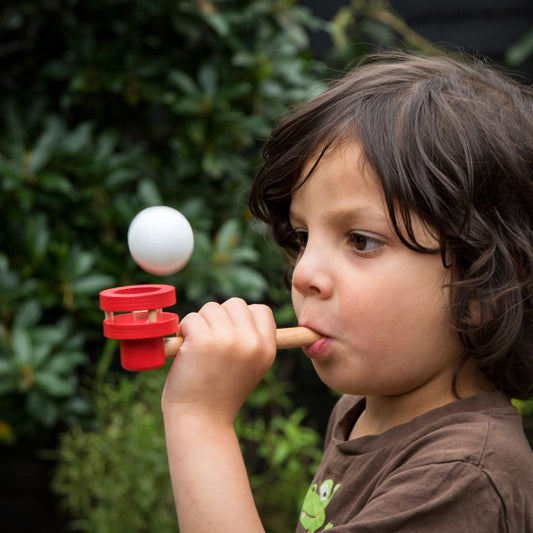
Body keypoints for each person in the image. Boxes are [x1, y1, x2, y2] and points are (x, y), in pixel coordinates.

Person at [161, 52, 533, 532]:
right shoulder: (363, 409)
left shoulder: (460, 477)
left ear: (485, 284)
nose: (303, 274)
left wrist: (200, 420)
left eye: (360, 241)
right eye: (301, 237)